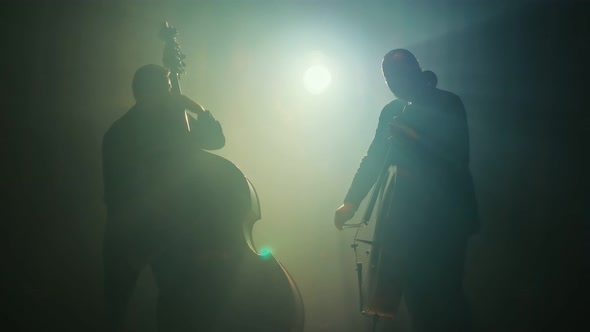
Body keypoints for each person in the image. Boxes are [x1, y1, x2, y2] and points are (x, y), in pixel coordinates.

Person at [334, 49, 479, 332]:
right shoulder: (391, 111)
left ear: (415, 70)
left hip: (446, 217)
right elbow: (374, 158)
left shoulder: (448, 103)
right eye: (387, 77)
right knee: (416, 296)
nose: (391, 82)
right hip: (407, 219)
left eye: (396, 74)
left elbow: (458, 158)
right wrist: (351, 201)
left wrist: (412, 138)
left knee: (445, 295)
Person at [101, 64, 228, 331]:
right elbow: (118, 194)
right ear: (148, 91)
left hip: (169, 230)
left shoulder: (176, 124)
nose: (171, 95)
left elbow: (216, 141)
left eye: (170, 89)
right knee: (116, 309)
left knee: (174, 306)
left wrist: (196, 107)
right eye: (167, 89)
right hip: (132, 233)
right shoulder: (119, 134)